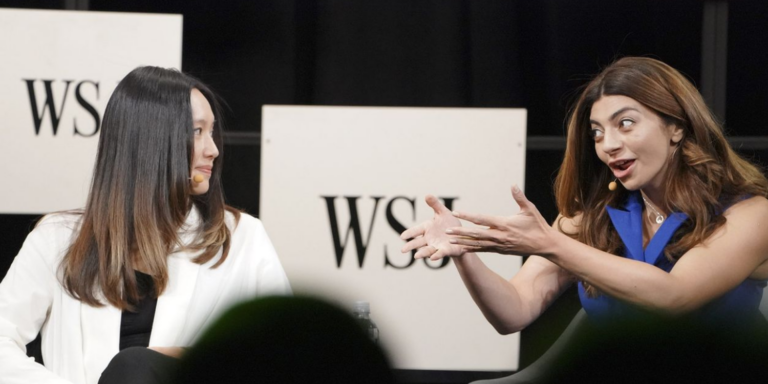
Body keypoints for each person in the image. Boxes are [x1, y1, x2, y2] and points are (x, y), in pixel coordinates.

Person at [401, 57, 768, 380]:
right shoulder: (591, 218)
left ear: (677, 127)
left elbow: (672, 298)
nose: (608, 144)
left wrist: (551, 244)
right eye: (597, 132)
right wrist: (463, 250)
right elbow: (513, 310)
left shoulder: (750, 214)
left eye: (625, 124)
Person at [0, 67, 291, 384]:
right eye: (197, 132)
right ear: (149, 143)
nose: (213, 149)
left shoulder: (241, 236)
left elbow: (285, 353)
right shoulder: (57, 238)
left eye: (212, 132)